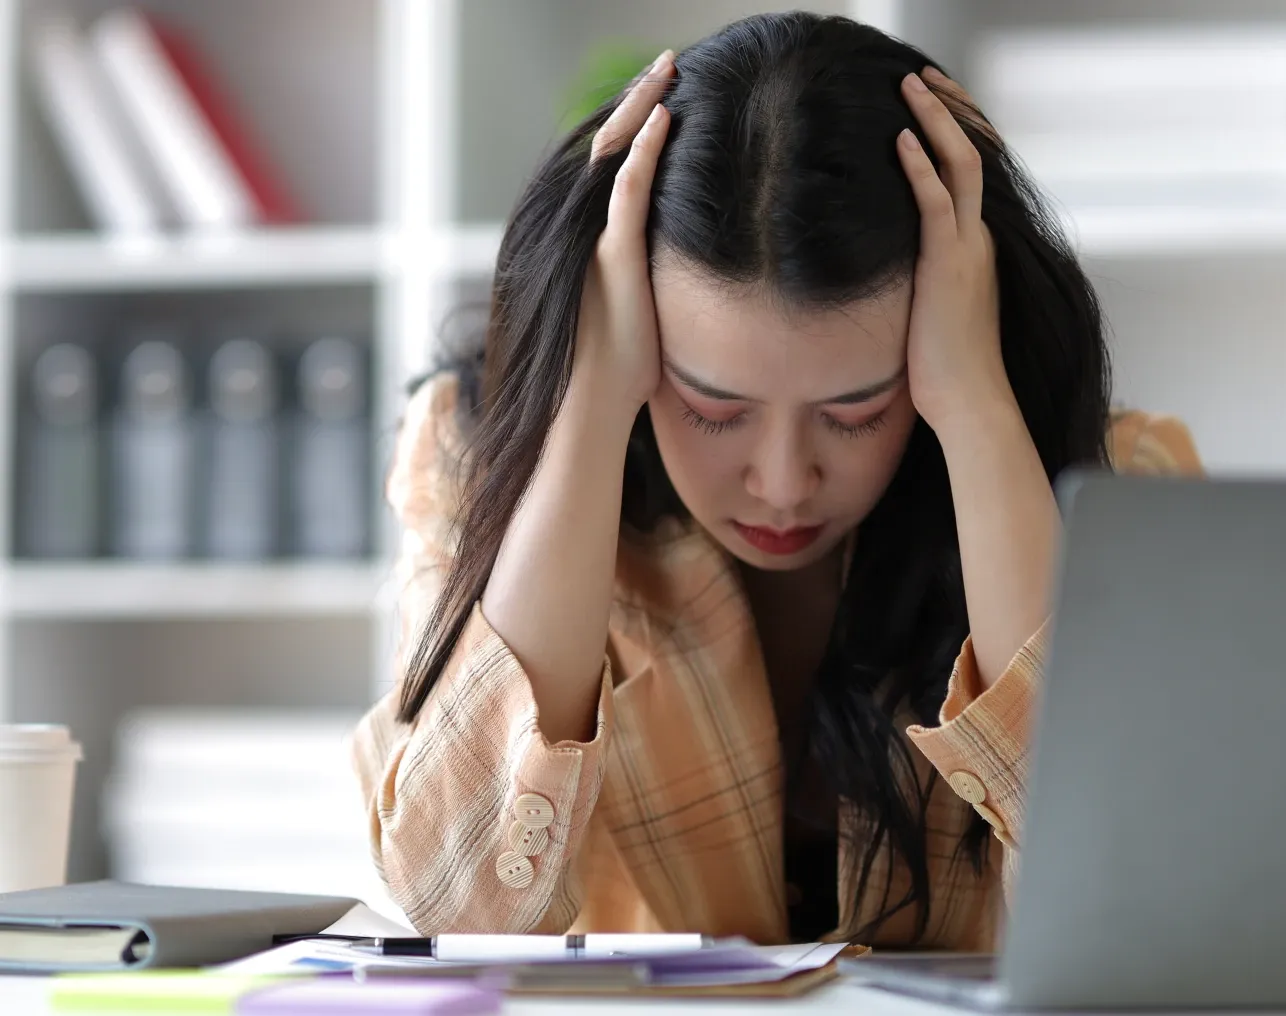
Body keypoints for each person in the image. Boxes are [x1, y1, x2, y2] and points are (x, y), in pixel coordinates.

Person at [352, 11, 1200, 948]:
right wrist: (589, 404)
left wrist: (978, 414)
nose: (785, 482)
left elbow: (1143, 908)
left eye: (857, 410)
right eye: (714, 408)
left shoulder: (1124, 489)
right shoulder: (475, 457)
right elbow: (459, 906)